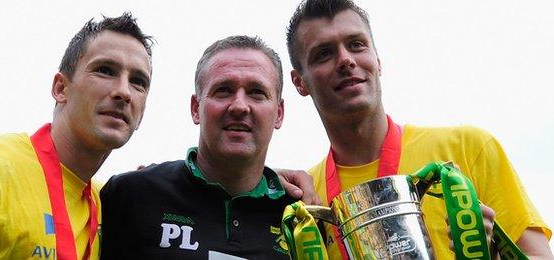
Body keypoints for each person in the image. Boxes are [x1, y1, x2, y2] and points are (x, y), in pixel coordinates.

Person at [285, 0, 552, 258]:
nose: (345, 60)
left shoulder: (467, 148)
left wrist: (492, 256)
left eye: (357, 45)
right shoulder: (304, 202)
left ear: (378, 60)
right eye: (324, 54)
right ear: (300, 83)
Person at [0, 13, 154, 259]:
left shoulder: (112, 207)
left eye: (138, 82)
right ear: (60, 88)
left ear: (142, 112)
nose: (123, 91)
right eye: (105, 70)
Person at [100, 35, 295, 259]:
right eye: (223, 90)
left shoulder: (301, 217)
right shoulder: (131, 195)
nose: (240, 106)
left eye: (256, 93)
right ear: (196, 108)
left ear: (279, 114)